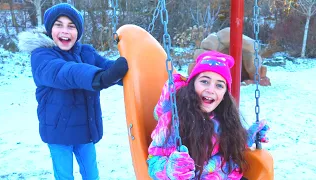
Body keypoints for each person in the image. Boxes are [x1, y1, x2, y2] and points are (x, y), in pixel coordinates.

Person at [18, 3, 128, 180]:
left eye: (71, 26)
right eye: (58, 25)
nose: (65, 31)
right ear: (49, 29)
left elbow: (107, 67)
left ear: (78, 32)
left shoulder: (87, 52)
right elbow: (65, 72)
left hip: (85, 129)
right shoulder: (42, 56)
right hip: (57, 132)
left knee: (92, 174)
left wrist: (127, 73)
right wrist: (100, 77)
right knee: (64, 175)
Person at [147, 51, 269, 179]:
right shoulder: (174, 121)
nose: (211, 90)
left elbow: (226, 146)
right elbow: (153, 161)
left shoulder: (224, 117)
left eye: (219, 85)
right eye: (205, 81)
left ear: (224, 95)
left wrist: (247, 137)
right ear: (192, 85)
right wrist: (170, 170)